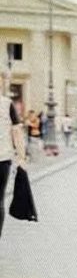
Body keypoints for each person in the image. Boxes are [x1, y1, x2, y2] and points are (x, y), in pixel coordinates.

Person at [0, 96, 27, 237]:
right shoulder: (7, 104)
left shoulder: (7, 104)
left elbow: (16, 132)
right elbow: (17, 133)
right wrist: (21, 158)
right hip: (2, 158)